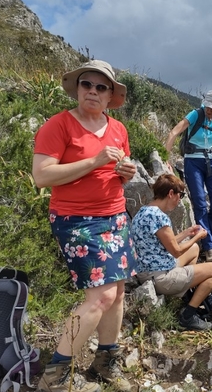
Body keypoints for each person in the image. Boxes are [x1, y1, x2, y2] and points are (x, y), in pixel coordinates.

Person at [32, 60, 138, 392]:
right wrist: (93, 161)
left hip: (116, 216)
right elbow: (42, 176)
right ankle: (54, 376)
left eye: (100, 87)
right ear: (77, 89)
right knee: (102, 296)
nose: (92, 91)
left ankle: (105, 362)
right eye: (86, 85)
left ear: (110, 96)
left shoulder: (118, 129)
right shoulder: (58, 125)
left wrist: (126, 173)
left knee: (117, 292)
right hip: (77, 220)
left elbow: (119, 170)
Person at [131, 174, 212, 331]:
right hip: (161, 277)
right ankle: (188, 316)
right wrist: (197, 237)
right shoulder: (160, 218)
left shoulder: (144, 212)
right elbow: (176, 251)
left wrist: (188, 233)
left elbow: (167, 242)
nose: (179, 200)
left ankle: (188, 295)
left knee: (193, 250)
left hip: (147, 271)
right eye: (180, 195)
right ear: (170, 194)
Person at [164, 91, 212, 263]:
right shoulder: (195, 114)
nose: (210, 111)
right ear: (204, 104)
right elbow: (174, 132)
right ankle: (208, 248)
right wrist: (165, 158)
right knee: (199, 203)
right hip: (193, 162)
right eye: (209, 107)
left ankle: (210, 239)